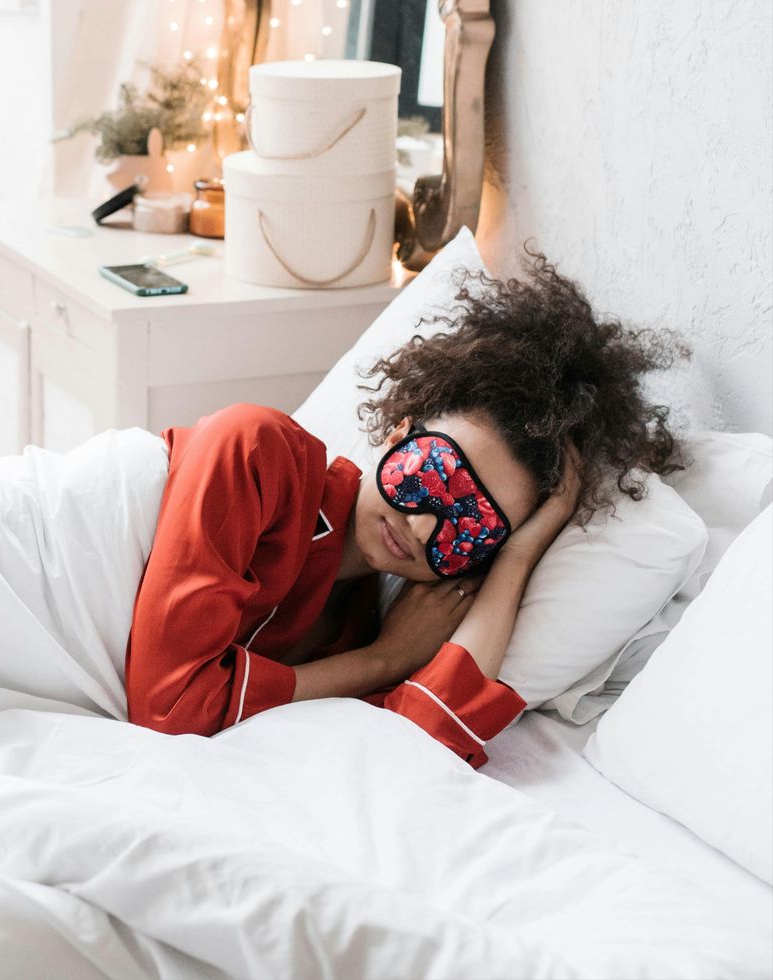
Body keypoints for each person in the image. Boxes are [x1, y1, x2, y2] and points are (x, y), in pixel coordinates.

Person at [125, 252, 688, 767]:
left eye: (472, 526)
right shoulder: (257, 451)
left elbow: (421, 747)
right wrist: (383, 660)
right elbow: (168, 710)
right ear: (399, 432)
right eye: (435, 475)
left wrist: (519, 555)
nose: (421, 529)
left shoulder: (360, 625)